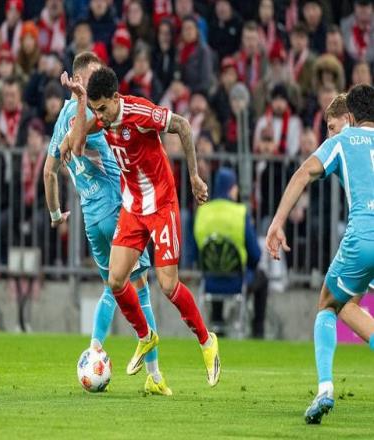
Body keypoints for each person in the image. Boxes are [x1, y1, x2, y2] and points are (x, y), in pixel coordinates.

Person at [63, 65, 220, 387]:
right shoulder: (101, 117)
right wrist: (80, 103)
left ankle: (207, 341)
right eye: (95, 110)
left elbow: (183, 125)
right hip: (133, 207)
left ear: (115, 97)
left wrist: (194, 176)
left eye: (102, 108)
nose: (99, 116)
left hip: (161, 205)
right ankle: (146, 336)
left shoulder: (140, 112)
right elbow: (77, 146)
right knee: (115, 280)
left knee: (168, 286)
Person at [44, 52, 172, 395]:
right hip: (117, 209)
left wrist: (55, 215)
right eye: (92, 77)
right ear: (79, 80)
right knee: (140, 288)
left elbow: (48, 172)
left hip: (90, 218)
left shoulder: (63, 118)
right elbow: (85, 140)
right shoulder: (91, 114)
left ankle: (94, 352)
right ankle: (154, 375)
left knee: (113, 287)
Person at [266, 84, 374, 425]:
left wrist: (277, 223)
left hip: (363, 236)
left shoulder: (343, 140)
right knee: (350, 304)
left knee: (328, 303)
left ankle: (325, 388)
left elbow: (303, 174)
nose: (330, 133)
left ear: (351, 117)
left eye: (332, 125)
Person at [194, 167, 268, 338]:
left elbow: (197, 248)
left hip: (209, 280)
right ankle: (258, 331)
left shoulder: (202, 211)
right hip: (237, 281)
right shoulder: (240, 213)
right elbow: (255, 254)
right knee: (262, 278)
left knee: (217, 264)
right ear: (231, 188)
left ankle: (217, 322)